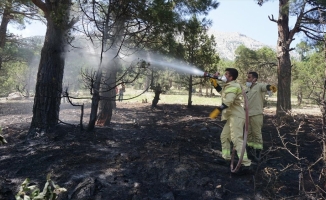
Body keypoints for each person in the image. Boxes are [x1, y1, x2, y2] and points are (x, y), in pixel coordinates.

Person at [209, 68, 253, 174]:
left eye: (226, 74)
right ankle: (226, 158)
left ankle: (246, 163)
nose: (224, 75)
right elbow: (220, 91)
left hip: (237, 116)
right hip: (232, 117)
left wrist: (217, 110)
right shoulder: (228, 86)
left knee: (236, 138)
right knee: (224, 136)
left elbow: (228, 101)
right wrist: (212, 80)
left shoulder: (234, 86)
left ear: (231, 77)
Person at [245, 72, 277, 161]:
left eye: (249, 77)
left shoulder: (259, 86)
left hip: (256, 115)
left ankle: (258, 154)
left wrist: (272, 88)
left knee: (257, 134)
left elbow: (267, 87)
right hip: (247, 115)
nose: (247, 79)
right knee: (249, 135)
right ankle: (250, 153)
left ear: (254, 79)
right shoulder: (247, 88)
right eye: (247, 77)